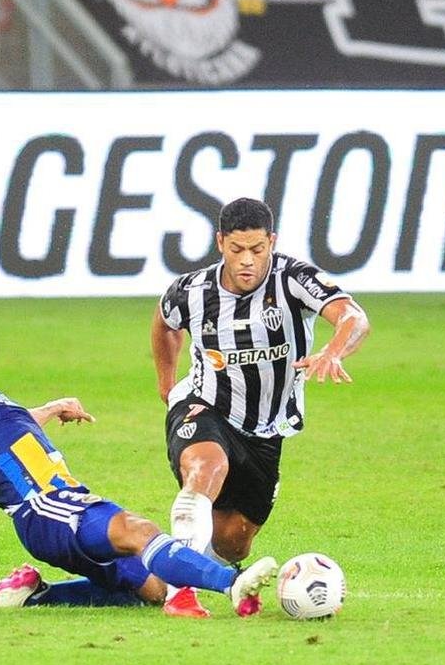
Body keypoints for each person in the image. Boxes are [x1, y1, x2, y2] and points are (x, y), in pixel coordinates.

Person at [0, 308, 278, 616]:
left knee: (151, 590)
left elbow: (9, 431)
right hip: (44, 504)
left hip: (55, 505)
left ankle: (34, 592)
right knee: (138, 530)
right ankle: (233, 583)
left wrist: (52, 407)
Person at [148, 197, 370, 618]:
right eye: (236, 250)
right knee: (204, 470)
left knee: (233, 541)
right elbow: (164, 322)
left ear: (272, 241)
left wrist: (334, 351)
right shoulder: (192, 291)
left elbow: (353, 316)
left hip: (266, 429)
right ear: (220, 243)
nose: (247, 261)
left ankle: (154, 570)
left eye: (257, 249)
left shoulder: (294, 279)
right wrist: (166, 384)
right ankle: (181, 594)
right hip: (205, 405)